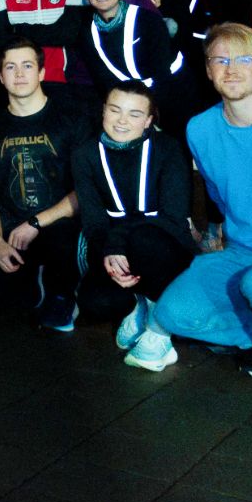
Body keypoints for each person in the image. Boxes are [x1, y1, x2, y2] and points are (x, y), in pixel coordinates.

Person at [156, 24, 252, 397]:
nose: (232, 68)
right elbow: (218, 191)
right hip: (244, 249)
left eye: (244, 59)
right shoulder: (199, 129)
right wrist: (217, 233)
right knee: (171, 312)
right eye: (220, 60)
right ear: (208, 70)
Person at [0, 38, 90, 331]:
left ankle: (61, 291)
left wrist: (36, 222)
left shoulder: (72, 121)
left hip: (57, 226)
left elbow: (86, 190)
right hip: (8, 230)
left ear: (42, 73)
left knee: (61, 242)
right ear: (1, 77)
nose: (19, 74)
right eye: (11, 67)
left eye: (27, 65)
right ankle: (30, 276)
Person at [72, 83, 193, 371]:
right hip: (117, 249)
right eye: (115, 110)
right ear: (103, 111)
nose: (122, 121)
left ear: (149, 120)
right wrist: (109, 254)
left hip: (163, 245)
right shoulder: (85, 155)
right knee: (94, 302)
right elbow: (93, 218)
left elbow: (174, 217)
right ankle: (136, 304)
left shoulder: (169, 149)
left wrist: (118, 239)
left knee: (145, 240)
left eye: (135, 114)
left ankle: (158, 327)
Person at [78, 0, 196, 135]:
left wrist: (150, 114)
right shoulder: (87, 29)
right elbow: (103, 77)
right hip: (131, 103)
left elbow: (162, 73)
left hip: (173, 94)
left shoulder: (148, 21)